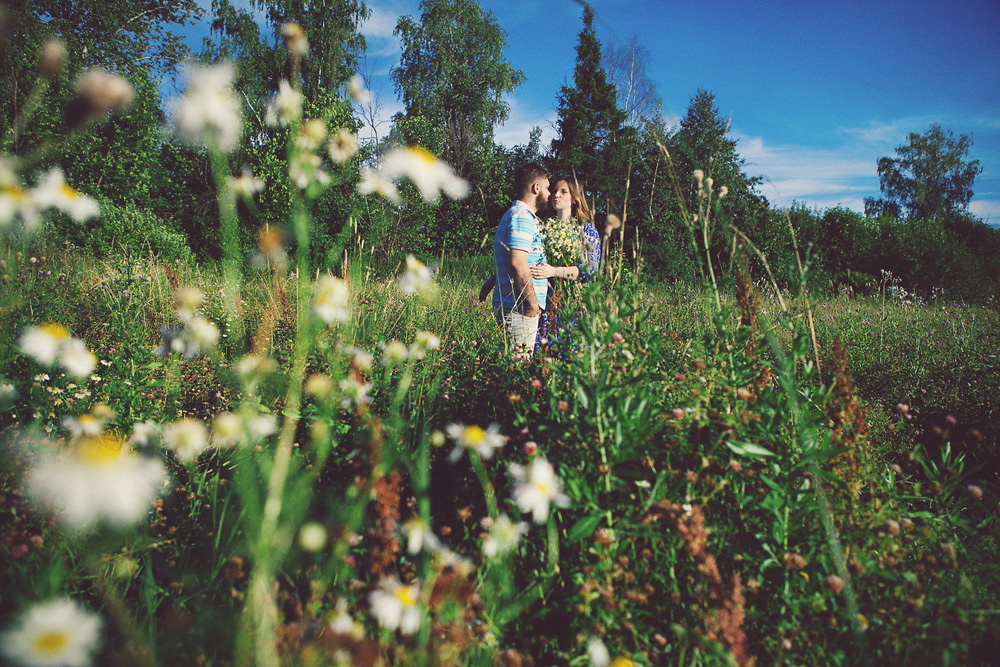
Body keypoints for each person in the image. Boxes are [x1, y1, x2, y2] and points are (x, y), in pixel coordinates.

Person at [530, 177, 601, 345]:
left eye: (563, 192)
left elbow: (590, 269)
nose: (556, 195)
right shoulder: (545, 229)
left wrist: (554, 271)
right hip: (547, 300)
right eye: (554, 191)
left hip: (575, 302)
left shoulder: (586, 230)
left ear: (575, 198)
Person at [491, 163, 550, 359]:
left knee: (515, 363)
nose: (549, 194)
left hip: (516, 305)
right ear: (536, 188)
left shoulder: (516, 214)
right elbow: (517, 262)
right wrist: (532, 304)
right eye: (547, 188)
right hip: (519, 308)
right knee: (519, 366)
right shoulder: (522, 216)